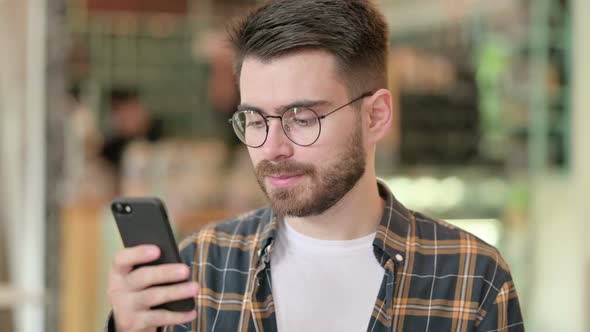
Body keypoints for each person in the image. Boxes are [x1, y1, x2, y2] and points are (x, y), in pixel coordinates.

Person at [105, 1, 524, 331]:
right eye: (254, 120)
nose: (273, 147)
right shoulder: (202, 265)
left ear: (374, 116)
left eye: (302, 119)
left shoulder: (472, 276)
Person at [100, 88, 164, 181]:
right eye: (121, 112)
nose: (128, 117)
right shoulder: (110, 150)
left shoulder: (159, 141)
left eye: (132, 110)